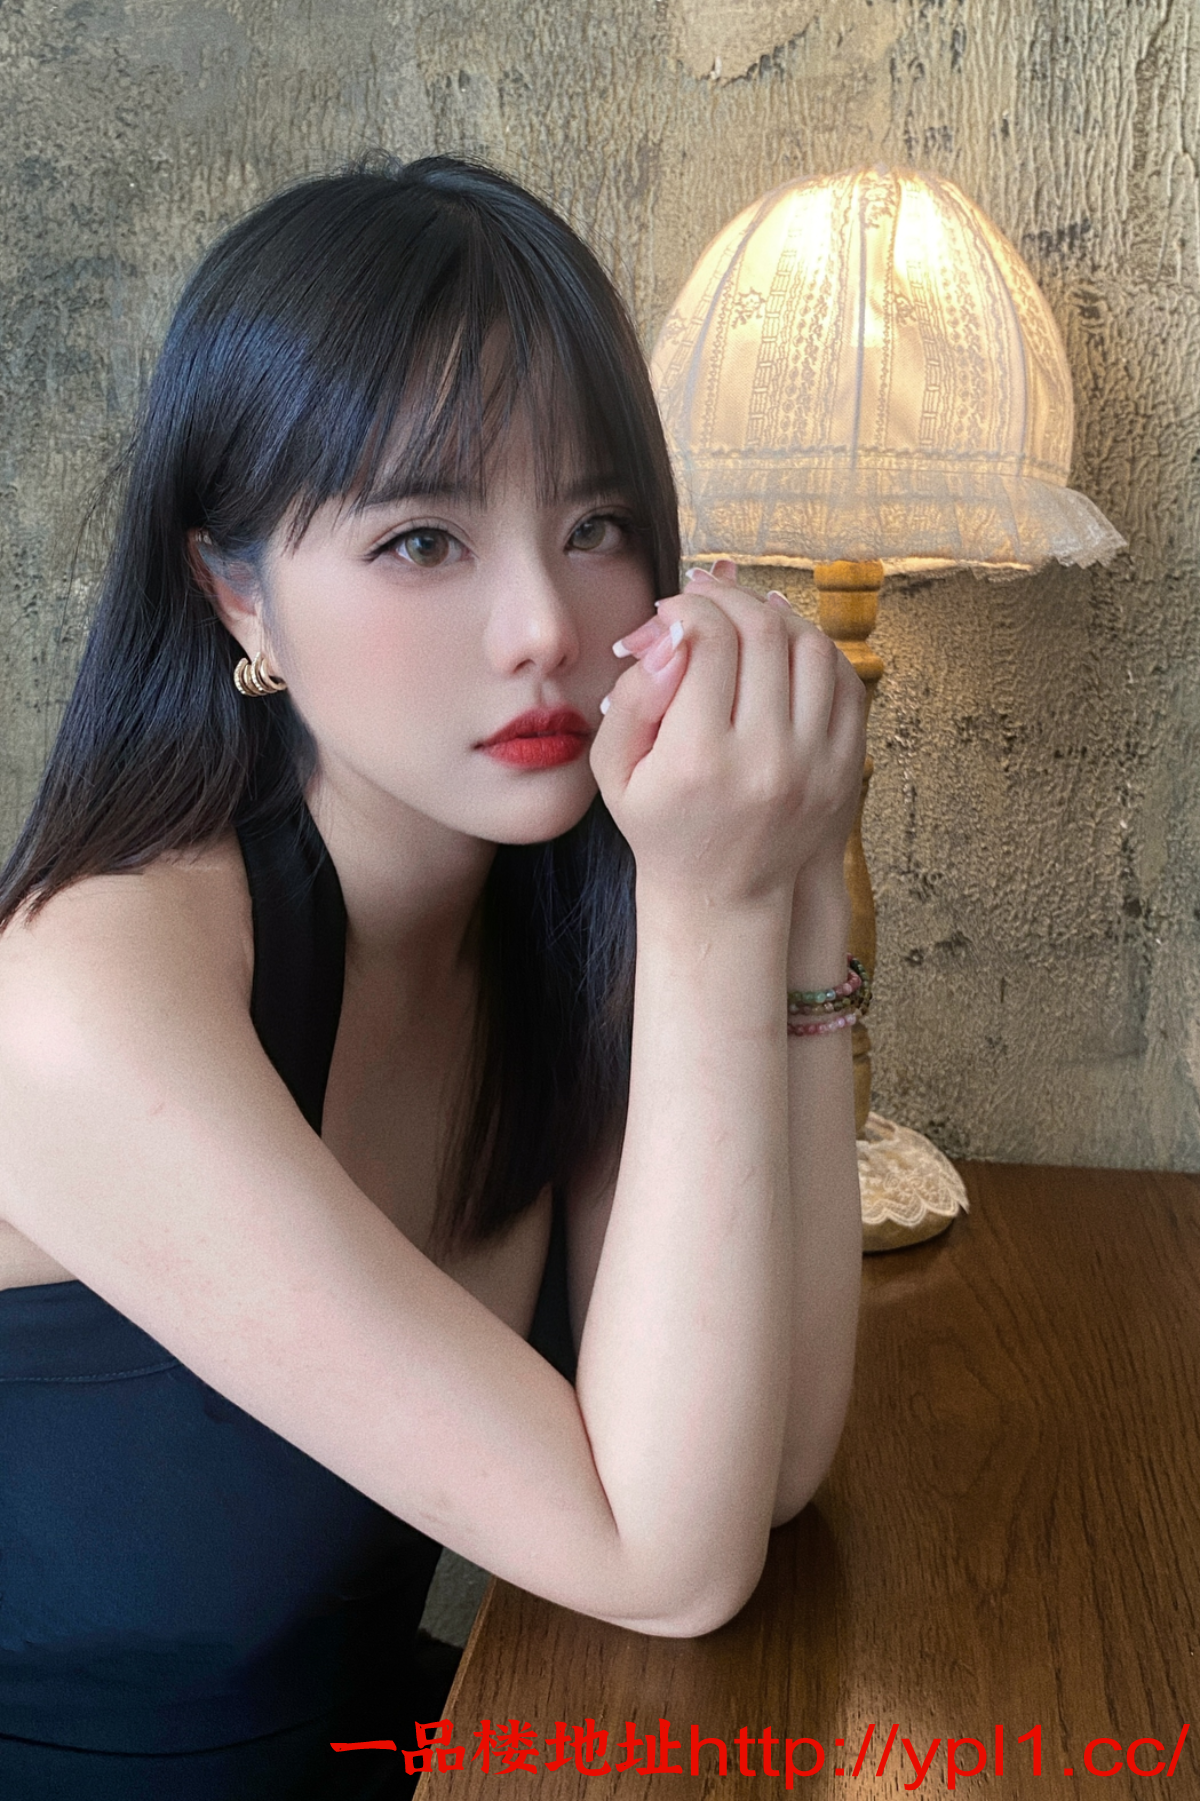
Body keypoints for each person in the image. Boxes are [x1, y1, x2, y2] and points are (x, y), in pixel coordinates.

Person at [0, 155, 865, 1799]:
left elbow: (763, 1468)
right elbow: (664, 1564)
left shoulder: (562, 902)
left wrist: (796, 880)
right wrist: (717, 906)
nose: (543, 624)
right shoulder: (85, 996)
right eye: (420, 539)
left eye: (595, 526)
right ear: (235, 592)